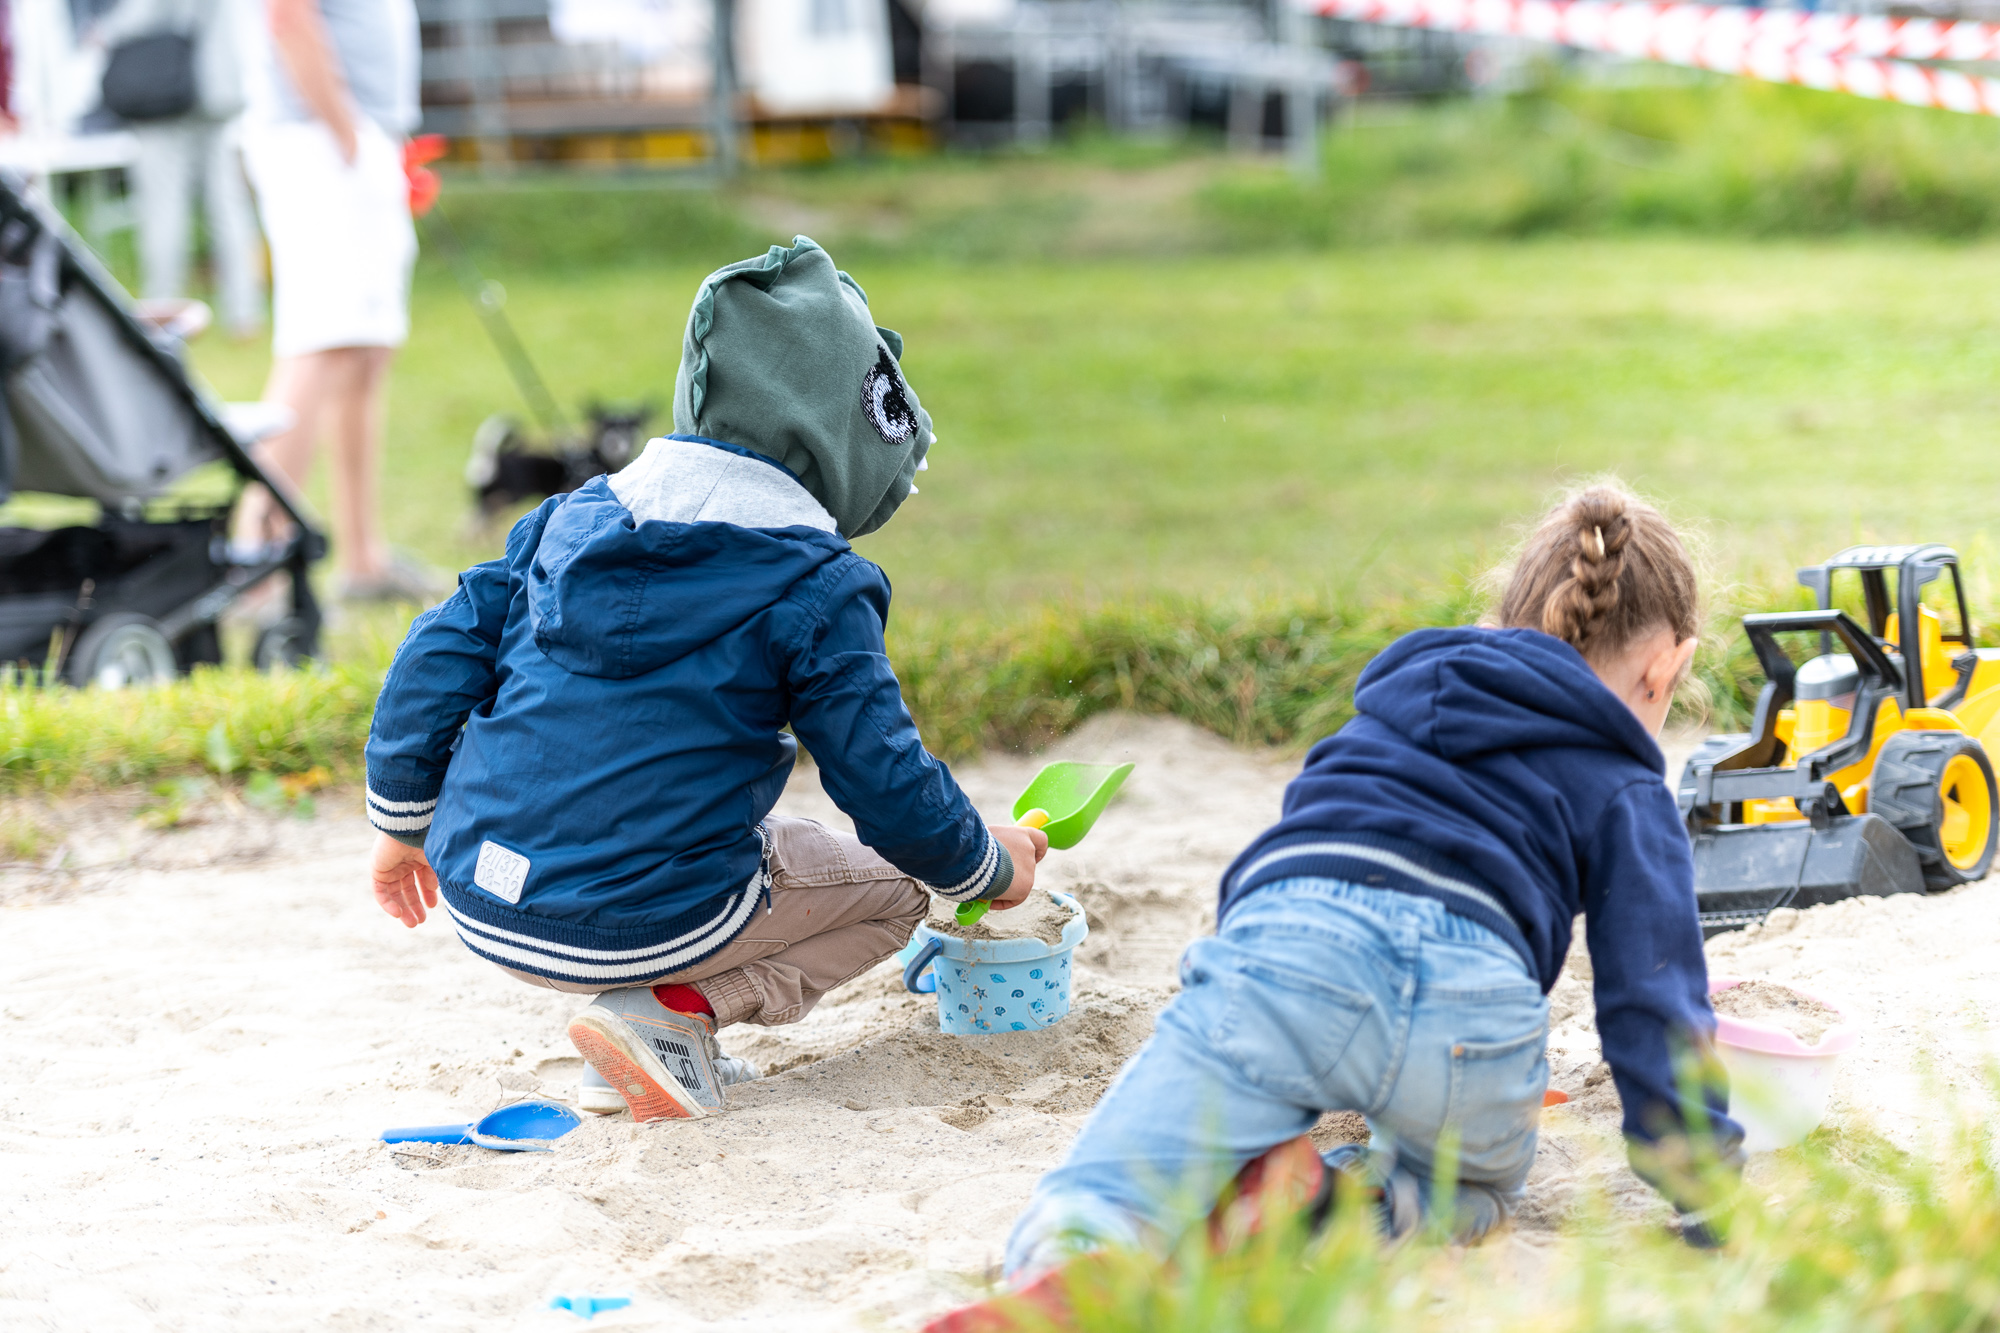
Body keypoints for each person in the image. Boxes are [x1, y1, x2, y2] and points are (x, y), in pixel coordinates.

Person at [935, 483, 1744, 1329]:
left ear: (1501, 624)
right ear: (1667, 666)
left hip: (1285, 946)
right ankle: (1330, 1208)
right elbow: (1654, 1001)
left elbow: (1286, 844)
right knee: (1468, 1190)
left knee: (1106, 1189)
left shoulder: (1402, 699)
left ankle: (1069, 1269)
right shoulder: (1624, 782)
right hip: (1472, 1006)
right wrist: (1706, 1196)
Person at [362, 237, 1049, 1122]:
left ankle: (634, 1041)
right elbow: (883, 779)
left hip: (480, 890)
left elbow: (436, 650)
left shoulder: (569, 518)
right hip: (649, 923)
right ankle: (671, 1015)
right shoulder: (811, 585)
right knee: (901, 883)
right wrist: (985, 865)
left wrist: (403, 820)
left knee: (742, 831)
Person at [231, 0, 432, 602]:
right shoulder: (330, 139)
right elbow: (288, 15)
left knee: (363, 353)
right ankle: (255, 568)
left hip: (350, 135)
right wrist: (345, 134)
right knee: (319, 344)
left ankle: (363, 560)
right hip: (319, 137)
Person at [87, 0, 264, 336]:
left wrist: (105, 32)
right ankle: (244, 313)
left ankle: (162, 311)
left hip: (169, 84)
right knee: (228, 202)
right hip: (221, 85)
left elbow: (146, 10)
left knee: (163, 206)